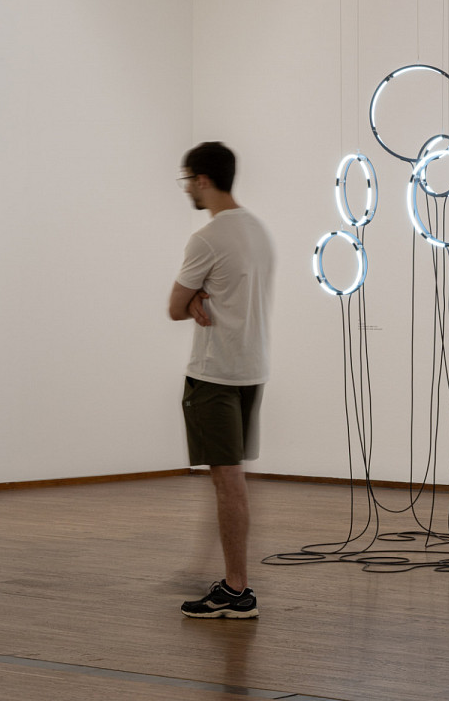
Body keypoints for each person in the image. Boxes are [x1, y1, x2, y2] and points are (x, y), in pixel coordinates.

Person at [169, 141, 274, 619]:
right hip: (252, 370)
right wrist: (199, 297)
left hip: (214, 375)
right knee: (233, 481)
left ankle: (236, 589)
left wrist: (193, 300)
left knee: (228, 483)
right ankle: (233, 582)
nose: (187, 187)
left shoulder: (207, 238)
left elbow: (173, 306)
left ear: (204, 180)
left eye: (188, 178)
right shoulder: (257, 231)